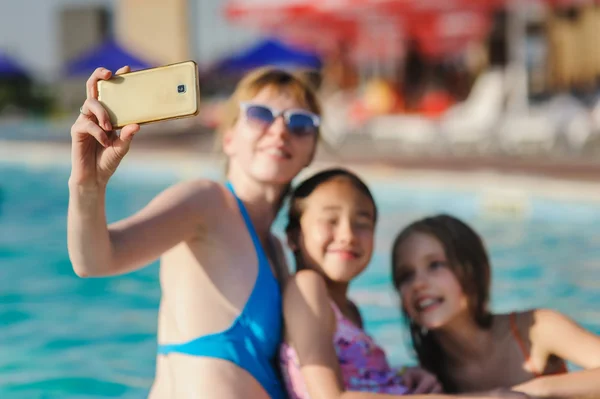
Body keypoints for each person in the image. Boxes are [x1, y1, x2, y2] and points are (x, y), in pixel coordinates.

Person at [67, 65, 321, 398]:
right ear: (229, 137)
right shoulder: (206, 203)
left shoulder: (277, 251)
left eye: (300, 123)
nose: (280, 130)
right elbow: (96, 261)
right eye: (260, 114)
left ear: (311, 153)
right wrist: (87, 185)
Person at [280, 170, 523, 399]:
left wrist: (399, 375)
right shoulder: (307, 286)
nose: (348, 235)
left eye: (362, 222)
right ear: (293, 237)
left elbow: (356, 375)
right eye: (330, 220)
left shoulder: (349, 310)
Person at [391, 214, 600, 397]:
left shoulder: (537, 329)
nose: (418, 284)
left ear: (473, 270)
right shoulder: (428, 377)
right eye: (405, 275)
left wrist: (537, 391)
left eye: (435, 265)